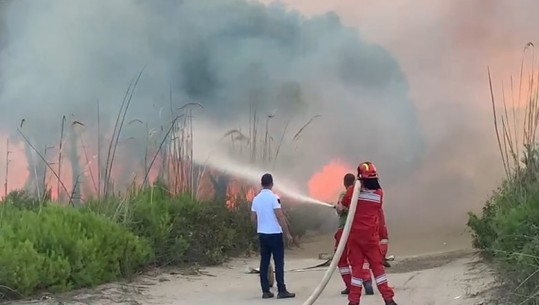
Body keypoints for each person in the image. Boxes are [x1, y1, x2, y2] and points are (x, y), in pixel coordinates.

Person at [340, 162, 397, 305]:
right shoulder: (379, 194)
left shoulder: (354, 191)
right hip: (371, 237)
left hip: (355, 237)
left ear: (360, 178)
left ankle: (354, 301)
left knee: (357, 270)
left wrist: (355, 187)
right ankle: (388, 299)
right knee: (377, 268)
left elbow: (345, 204)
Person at [251, 173, 296, 299]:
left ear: (262, 184)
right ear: (272, 184)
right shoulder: (274, 198)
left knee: (264, 262)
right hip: (275, 234)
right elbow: (280, 216)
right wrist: (287, 233)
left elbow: (253, 218)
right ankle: (282, 290)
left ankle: (265, 291)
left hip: (263, 235)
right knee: (279, 262)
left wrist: (258, 229)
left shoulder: (256, 199)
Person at [335, 173, 375, 296]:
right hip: (359, 230)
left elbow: (341, 209)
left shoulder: (345, 194)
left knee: (341, 259)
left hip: (344, 230)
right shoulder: (362, 194)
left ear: (345, 183)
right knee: (360, 257)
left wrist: (337, 206)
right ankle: (367, 280)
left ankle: (350, 286)